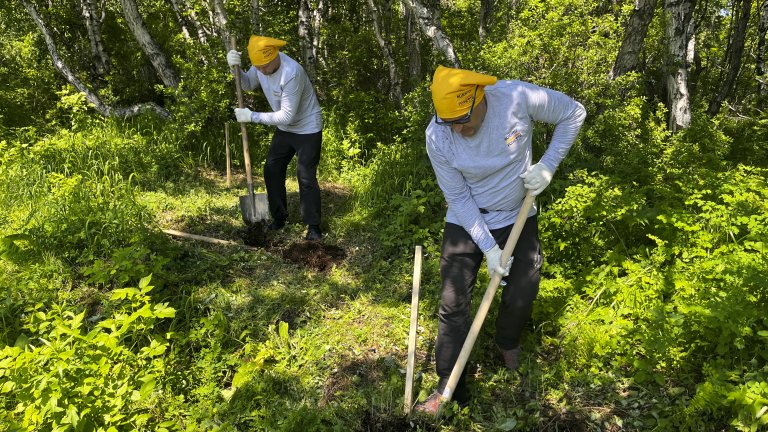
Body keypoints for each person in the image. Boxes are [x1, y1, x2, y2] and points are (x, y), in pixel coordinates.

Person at [414, 66, 586, 415]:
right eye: (449, 122)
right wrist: (488, 247)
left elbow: (573, 112)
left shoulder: (515, 98)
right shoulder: (438, 135)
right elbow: (459, 198)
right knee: (452, 303)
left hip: (517, 212)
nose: (458, 130)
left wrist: (548, 165)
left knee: (523, 289)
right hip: (467, 219)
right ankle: (449, 386)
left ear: (481, 97)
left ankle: (506, 341)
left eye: (462, 119)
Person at [227, 36, 324, 241]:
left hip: (307, 127)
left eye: (264, 67)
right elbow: (247, 84)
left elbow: (287, 115)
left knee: (305, 176)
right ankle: (279, 218)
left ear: (275, 56)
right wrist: (235, 68)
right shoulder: (261, 62)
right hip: (285, 129)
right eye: (257, 67)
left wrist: (252, 116)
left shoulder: (291, 72)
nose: (261, 71)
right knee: (272, 169)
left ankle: (313, 227)